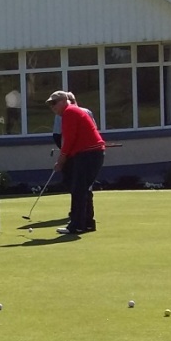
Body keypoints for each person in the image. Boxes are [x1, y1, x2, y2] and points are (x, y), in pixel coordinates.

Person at [47, 90, 105, 235]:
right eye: (50, 104)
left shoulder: (69, 112)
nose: (52, 107)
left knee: (78, 189)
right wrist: (64, 159)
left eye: (54, 103)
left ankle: (77, 225)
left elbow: (69, 139)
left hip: (88, 154)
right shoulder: (70, 112)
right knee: (83, 189)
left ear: (64, 101)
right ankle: (87, 223)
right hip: (90, 153)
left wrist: (61, 160)